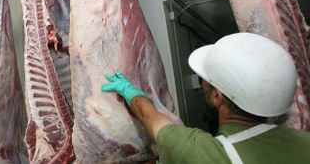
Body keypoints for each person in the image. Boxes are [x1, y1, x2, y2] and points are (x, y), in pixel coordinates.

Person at [102, 32, 310, 164]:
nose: (202, 83)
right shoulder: (305, 141)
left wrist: (129, 91)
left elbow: (148, 115)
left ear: (218, 96)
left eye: (205, 80)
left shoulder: (201, 153)